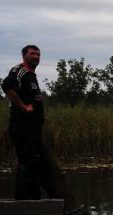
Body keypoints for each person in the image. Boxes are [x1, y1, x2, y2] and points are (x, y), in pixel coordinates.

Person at [1, 45, 72, 205]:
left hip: (33, 129)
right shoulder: (19, 70)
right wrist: (23, 107)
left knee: (34, 161)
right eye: (32, 54)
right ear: (24, 56)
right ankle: (28, 202)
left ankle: (27, 200)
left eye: (38, 54)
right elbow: (7, 87)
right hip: (22, 127)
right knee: (28, 163)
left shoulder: (31, 75)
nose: (36, 57)